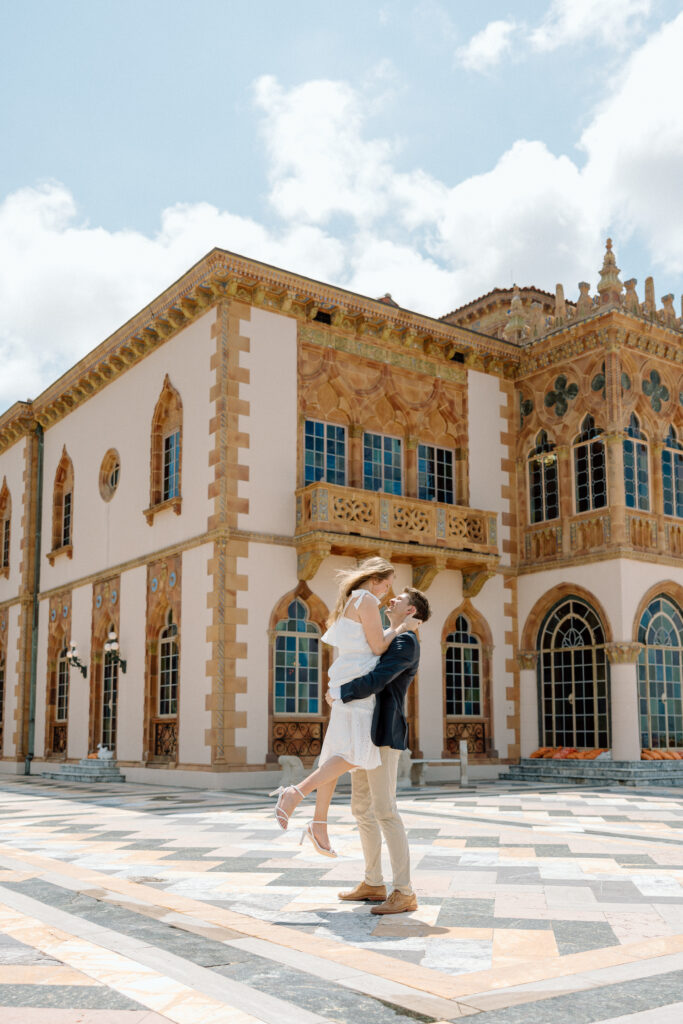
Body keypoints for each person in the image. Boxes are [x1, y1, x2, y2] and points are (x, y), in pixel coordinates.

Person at [270, 557, 416, 856]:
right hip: (358, 684)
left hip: (346, 681)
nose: (386, 593)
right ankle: (295, 793)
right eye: (386, 585)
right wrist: (402, 626)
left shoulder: (353, 599)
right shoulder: (365, 600)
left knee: (334, 755)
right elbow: (377, 647)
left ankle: (319, 823)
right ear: (374, 579)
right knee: (357, 753)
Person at [334, 585, 431, 915]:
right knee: (361, 808)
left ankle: (404, 891)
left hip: (384, 733)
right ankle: (373, 882)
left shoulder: (405, 642)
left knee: (386, 810)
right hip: (366, 730)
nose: (391, 600)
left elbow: (377, 679)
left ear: (411, 611)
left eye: (399, 599)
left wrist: (340, 691)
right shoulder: (395, 636)